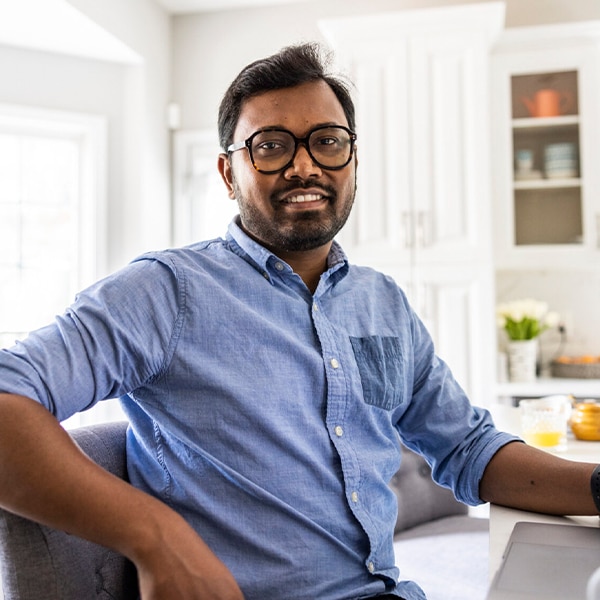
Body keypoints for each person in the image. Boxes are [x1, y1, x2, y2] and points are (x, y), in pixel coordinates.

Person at [0, 42, 597, 600]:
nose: (304, 165)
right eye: (271, 145)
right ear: (230, 173)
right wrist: (154, 534)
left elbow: (469, 449)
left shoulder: (381, 301)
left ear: (352, 159)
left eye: (327, 141)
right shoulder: (165, 291)